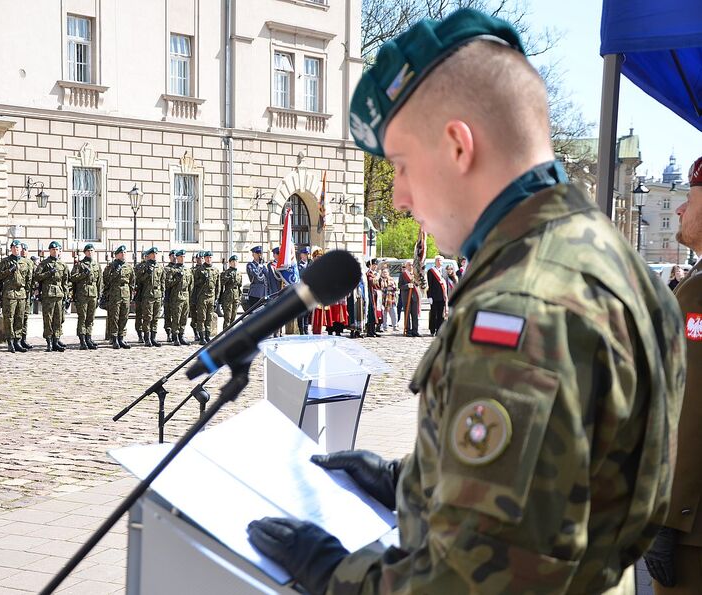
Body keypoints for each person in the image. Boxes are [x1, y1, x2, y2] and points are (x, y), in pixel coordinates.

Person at [247, 9, 685, 594]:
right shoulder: (614, 262)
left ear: (458, 146)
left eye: (401, 165)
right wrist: (412, 482)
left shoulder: (524, 309)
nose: (399, 196)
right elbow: (567, 483)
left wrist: (335, 575)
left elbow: (474, 583)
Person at [644, 155, 702, 594]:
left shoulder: (699, 290)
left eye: (689, 197)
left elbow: (688, 407)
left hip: (691, 525)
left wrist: (665, 516)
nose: (680, 208)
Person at [0, 239, 31, 353]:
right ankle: (10, 341)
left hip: (21, 293)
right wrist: (8, 271)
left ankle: (17, 341)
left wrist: (28, 291)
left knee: (20, 318)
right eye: (14, 247)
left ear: (21, 249)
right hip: (9, 293)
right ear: (11, 249)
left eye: (18, 247)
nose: (17, 249)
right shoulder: (5, 261)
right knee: (9, 318)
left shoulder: (26, 262)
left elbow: (29, 278)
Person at [33, 241, 69, 352]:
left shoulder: (62, 265)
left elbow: (65, 281)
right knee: (48, 318)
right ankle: (49, 341)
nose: (55, 251)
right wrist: (48, 273)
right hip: (48, 294)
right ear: (50, 251)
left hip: (59, 294)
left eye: (57, 249)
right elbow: (37, 277)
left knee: (58, 319)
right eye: (53, 249)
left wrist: (66, 296)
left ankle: (56, 340)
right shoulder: (44, 264)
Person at [70, 243, 102, 350]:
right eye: (88, 251)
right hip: (82, 294)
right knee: (82, 317)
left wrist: (99, 296)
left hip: (93, 294)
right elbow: (73, 278)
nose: (90, 252)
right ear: (85, 252)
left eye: (92, 251)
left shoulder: (96, 265)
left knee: (90, 318)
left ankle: (89, 337)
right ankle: (82, 339)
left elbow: (99, 282)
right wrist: (83, 274)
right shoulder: (80, 265)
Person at [102, 245, 135, 349]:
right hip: (114, 294)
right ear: (116, 255)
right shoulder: (110, 267)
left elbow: (132, 282)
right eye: (121, 253)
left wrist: (131, 294)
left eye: (125, 253)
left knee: (124, 316)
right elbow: (106, 281)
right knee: (114, 316)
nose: (123, 254)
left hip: (125, 294)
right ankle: (114, 337)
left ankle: (121, 337)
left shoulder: (128, 267)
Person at [135, 247, 166, 347]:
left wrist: (162, 293)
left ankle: (153, 337)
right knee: (147, 317)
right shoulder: (144, 267)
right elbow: (139, 281)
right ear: (149, 255)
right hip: (147, 295)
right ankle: (147, 338)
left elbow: (162, 282)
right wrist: (146, 274)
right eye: (153, 254)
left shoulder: (160, 267)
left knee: (155, 318)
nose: (155, 255)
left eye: (156, 254)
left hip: (157, 295)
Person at [165, 249, 192, 346]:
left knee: (184, 318)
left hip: (186, 296)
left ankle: (181, 335)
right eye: (181, 257)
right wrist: (177, 278)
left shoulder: (188, 270)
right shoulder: (173, 270)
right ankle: (175, 336)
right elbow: (168, 284)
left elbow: (190, 285)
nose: (182, 258)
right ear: (177, 257)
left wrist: (190, 296)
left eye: (184, 257)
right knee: (176, 317)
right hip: (176, 297)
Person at [193, 251, 220, 344]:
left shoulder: (215, 270)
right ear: (204, 258)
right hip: (202, 297)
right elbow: (194, 284)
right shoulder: (199, 270)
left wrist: (216, 298)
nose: (209, 259)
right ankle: (201, 337)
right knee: (201, 318)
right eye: (207, 257)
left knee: (209, 317)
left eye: (210, 257)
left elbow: (218, 286)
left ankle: (208, 336)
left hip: (211, 297)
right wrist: (201, 280)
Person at [18, 242, 36, 350]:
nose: (23, 251)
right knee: (18, 316)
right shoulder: (18, 262)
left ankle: (23, 338)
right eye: (22, 249)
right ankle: (17, 338)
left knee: (25, 317)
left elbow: (34, 277)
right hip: (20, 291)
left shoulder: (30, 262)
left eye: (25, 249)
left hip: (28, 293)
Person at [219, 254, 242, 331]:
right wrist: (227, 276)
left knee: (233, 316)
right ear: (230, 263)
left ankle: (232, 333)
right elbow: (222, 283)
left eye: (236, 261)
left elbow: (239, 286)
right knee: (227, 317)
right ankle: (226, 334)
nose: (234, 263)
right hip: (228, 296)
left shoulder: (239, 274)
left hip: (235, 297)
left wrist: (239, 298)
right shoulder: (226, 272)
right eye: (233, 261)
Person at [426, 254, 448, 336]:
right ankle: (432, 330)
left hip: (442, 296)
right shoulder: (431, 271)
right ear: (435, 262)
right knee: (433, 314)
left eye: (441, 260)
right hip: (434, 296)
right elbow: (430, 285)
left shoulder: (445, 272)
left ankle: (439, 330)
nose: (439, 262)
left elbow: (446, 285)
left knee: (440, 315)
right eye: (438, 260)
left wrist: (446, 296)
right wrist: (429, 296)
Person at [399, 260, 421, 336]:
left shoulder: (415, 275)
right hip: (406, 297)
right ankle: (407, 330)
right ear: (406, 266)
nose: (411, 266)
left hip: (414, 297)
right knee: (407, 314)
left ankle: (415, 331)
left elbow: (419, 284)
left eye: (412, 265)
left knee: (415, 315)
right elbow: (400, 286)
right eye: (409, 265)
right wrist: (407, 286)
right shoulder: (403, 275)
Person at [246, 246, 268, 310]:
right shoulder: (250, 265)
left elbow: (267, 276)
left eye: (260, 253)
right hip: (255, 293)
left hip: (264, 293)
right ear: (253, 254)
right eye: (257, 253)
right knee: (255, 313)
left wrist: (264, 265)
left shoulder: (263, 265)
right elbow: (255, 274)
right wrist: (259, 266)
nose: (259, 255)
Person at [296, 247, 312, 334]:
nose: (306, 256)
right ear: (301, 255)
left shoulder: (310, 265)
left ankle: (306, 329)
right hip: (301, 291)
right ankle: (301, 331)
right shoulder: (298, 266)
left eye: (307, 254)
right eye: (305, 254)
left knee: (307, 312)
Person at [378, 266, 398, 331]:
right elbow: (379, 288)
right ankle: (384, 327)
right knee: (384, 314)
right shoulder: (379, 280)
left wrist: (391, 289)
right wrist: (386, 289)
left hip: (391, 299)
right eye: (383, 272)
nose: (385, 273)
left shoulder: (391, 279)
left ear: (388, 273)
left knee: (394, 313)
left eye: (386, 272)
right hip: (383, 299)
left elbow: (395, 288)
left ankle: (395, 326)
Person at [163, 249, 176, 340]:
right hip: (168, 295)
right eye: (173, 256)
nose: (174, 258)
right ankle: (169, 333)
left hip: (178, 296)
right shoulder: (166, 269)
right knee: (168, 315)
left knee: (177, 315)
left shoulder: (181, 268)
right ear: (170, 257)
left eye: (176, 256)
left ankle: (176, 333)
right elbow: (165, 283)